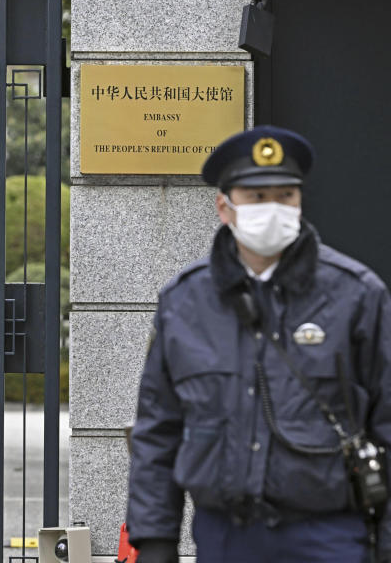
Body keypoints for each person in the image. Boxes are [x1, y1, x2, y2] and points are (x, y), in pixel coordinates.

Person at [125, 126, 391, 563]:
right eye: (257, 196)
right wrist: (155, 541)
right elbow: (159, 430)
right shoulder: (184, 301)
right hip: (226, 537)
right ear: (225, 207)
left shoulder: (357, 295)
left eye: (286, 195)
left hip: (329, 536)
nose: (273, 208)